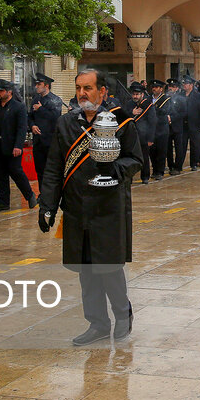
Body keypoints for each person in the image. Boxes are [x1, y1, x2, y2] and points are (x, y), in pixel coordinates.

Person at [38, 69, 143, 345]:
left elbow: (136, 160)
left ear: (102, 91)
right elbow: (53, 168)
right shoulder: (66, 123)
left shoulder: (121, 121)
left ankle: (123, 315)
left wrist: (113, 168)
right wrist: (47, 205)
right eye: (79, 88)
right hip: (76, 208)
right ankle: (97, 323)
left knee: (108, 267)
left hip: (108, 206)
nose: (82, 94)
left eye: (88, 88)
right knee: (86, 270)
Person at [0, 79, 37, 212]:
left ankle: (30, 195)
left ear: (9, 92)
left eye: (1, 91)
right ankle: (3, 202)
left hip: (11, 145)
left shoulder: (18, 107)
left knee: (15, 171)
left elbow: (21, 128)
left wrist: (18, 146)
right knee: (0, 174)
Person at [29, 73, 64, 187]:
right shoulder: (35, 99)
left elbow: (55, 117)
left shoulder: (55, 100)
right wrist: (32, 126)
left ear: (47, 86)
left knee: (51, 170)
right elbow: (29, 116)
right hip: (38, 140)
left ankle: (51, 193)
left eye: (39, 84)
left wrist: (41, 109)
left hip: (50, 141)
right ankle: (42, 193)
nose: (36, 86)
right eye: (36, 84)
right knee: (39, 169)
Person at [129, 82, 156, 184]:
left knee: (144, 158)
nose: (135, 96)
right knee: (130, 158)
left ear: (142, 95)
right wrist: (131, 113)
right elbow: (124, 118)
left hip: (143, 136)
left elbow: (152, 123)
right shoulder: (129, 105)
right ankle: (130, 177)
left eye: (137, 94)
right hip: (131, 136)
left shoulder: (148, 106)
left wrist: (150, 138)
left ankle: (145, 177)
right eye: (134, 94)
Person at [182, 76, 200, 170]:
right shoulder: (181, 95)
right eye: (183, 83)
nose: (184, 85)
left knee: (195, 145)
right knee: (182, 145)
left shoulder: (198, 96)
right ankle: (179, 164)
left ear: (191, 85)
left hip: (194, 124)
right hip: (183, 124)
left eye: (186, 83)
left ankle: (194, 164)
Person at [149, 79, 171, 180]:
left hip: (162, 128)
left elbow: (164, 111)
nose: (154, 89)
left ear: (161, 89)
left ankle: (160, 171)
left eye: (156, 87)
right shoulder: (148, 98)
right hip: (152, 129)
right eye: (153, 87)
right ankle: (154, 170)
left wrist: (153, 109)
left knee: (161, 151)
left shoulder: (166, 99)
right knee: (152, 151)